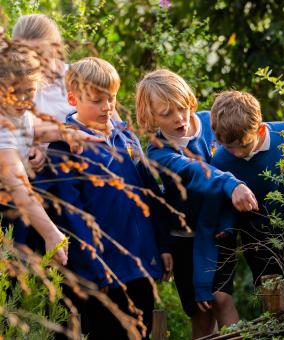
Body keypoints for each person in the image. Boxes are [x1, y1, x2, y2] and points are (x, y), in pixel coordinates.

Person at [37, 57, 172, 339]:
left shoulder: (127, 139)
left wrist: (163, 245)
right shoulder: (65, 148)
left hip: (141, 263)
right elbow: (72, 215)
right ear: (73, 98)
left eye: (111, 98)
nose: (107, 107)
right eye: (97, 100)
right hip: (104, 273)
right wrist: (96, 268)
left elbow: (150, 194)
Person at [136, 69, 258, 339]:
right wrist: (231, 184)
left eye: (181, 108)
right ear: (150, 117)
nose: (179, 118)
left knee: (221, 298)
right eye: (166, 113)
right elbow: (195, 171)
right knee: (200, 314)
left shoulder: (211, 124)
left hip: (218, 230)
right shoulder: (159, 152)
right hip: (185, 240)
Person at [194, 90, 284, 327]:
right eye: (228, 147)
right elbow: (219, 210)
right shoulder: (221, 161)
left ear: (261, 130)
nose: (235, 153)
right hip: (258, 242)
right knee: (276, 304)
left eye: (242, 146)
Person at [0, 41, 100, 265]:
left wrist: (66, 134)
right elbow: (17, 185)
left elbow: (34, 129)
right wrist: (50, 233)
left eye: (30, 91)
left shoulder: (15, 109)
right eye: (15, 92)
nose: (25, 100)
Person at [12, 14, 121, 171]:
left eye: (41, 55)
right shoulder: (16, 91)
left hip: (100, 163)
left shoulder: (80, 77)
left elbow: (115, 123)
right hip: (56, 175)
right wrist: (31, 150)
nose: (34, 63)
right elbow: (17, 132)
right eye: (26, 56)